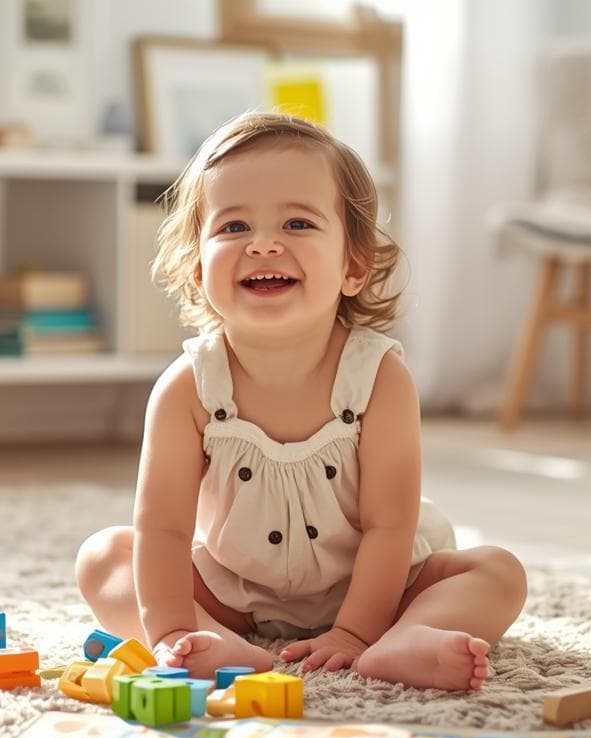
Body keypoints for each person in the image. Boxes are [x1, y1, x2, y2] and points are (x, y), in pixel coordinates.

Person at [75, 112, 527, 691]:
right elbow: (162, 529)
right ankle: (207, 640)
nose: (263, 243)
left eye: (296, 223)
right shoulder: (187, 387)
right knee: (104, 556)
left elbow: (390, 526)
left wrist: (356, 632)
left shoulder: (379, 380)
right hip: (235, 587)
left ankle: (408, 637)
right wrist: (168, 627)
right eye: (233, 227)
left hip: (380, 585)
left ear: (353, 267)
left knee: (498, 572)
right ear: (196, 268)